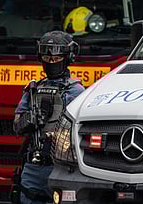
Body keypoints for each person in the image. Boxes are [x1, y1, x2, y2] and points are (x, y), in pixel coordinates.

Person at [13, 30, 85, 204]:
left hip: (62, 166)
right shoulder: (33, 89)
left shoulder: (77, 91)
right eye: (47, 58)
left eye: (56, 58)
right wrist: (29, 119)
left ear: (67, 58)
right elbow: (16, 125)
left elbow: (81, 130)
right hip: (33, 166)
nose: (51, 62)